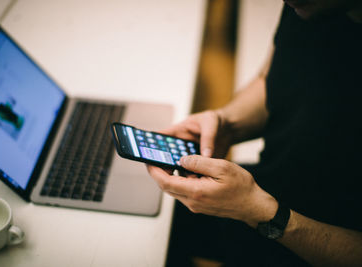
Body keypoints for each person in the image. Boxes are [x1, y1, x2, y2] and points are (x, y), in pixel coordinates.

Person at [147, 0, 362, 266]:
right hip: (268, 187)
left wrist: (263, 214)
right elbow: (271, 79)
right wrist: (226, 123)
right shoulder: (309, 6)